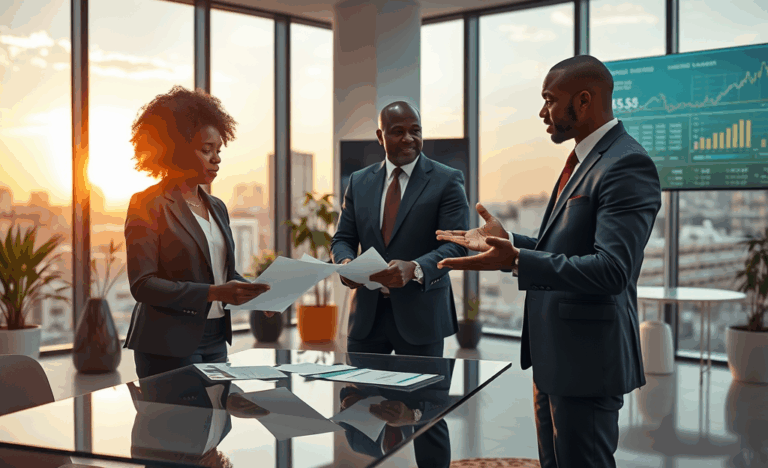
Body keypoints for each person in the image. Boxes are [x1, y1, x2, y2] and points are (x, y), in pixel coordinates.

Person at [436, 55, 662, 468]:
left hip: (587, 363)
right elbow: (563, 245)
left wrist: (518, 258)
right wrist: (508, 242)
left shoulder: (626, 163)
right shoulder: (584, 160)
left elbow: (612, 269)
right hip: (555, 357)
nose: (543, 111)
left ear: (584, 100)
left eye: (549, 99)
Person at [124, 86, 271, 379]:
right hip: (168, 343)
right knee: (179, 423)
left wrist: (260, 294)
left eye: (218, 151)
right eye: (206, 150)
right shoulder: (147, 204)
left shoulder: (217, 207)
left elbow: (221, 275)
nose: (216, 159)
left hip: (216, 338)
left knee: (217, 423)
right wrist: (214, 293)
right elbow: (143, 284)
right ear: (175, 149)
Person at [331, 101, 470, 358]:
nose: (409, 139)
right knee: (361, 396)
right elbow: (343, 238)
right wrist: (346, 262)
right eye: (398, 131)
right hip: (366, 320)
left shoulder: (447, 180)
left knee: (422, 397)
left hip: (422, 317)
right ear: (380, 137)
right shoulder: (358, 181)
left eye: (415, 131)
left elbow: (457, 245)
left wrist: (415, 268)